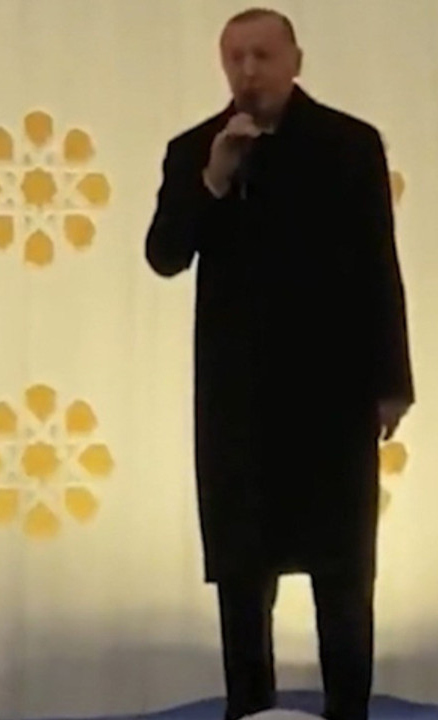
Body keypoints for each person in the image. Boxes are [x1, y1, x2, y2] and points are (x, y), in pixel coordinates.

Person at [145, 8, 413, 720]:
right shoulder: (195, 149)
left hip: (332, 392)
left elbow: (378, 267)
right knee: (243, 574)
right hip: (238, 399)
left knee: (343, 571)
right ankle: (248, 709)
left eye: (262, 55)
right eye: (235, 57)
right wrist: (212, 181)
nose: (248, 71)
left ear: (295, 60)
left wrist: (393, 382)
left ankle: (348, 709)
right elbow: (164, 255)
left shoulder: (349, 144)